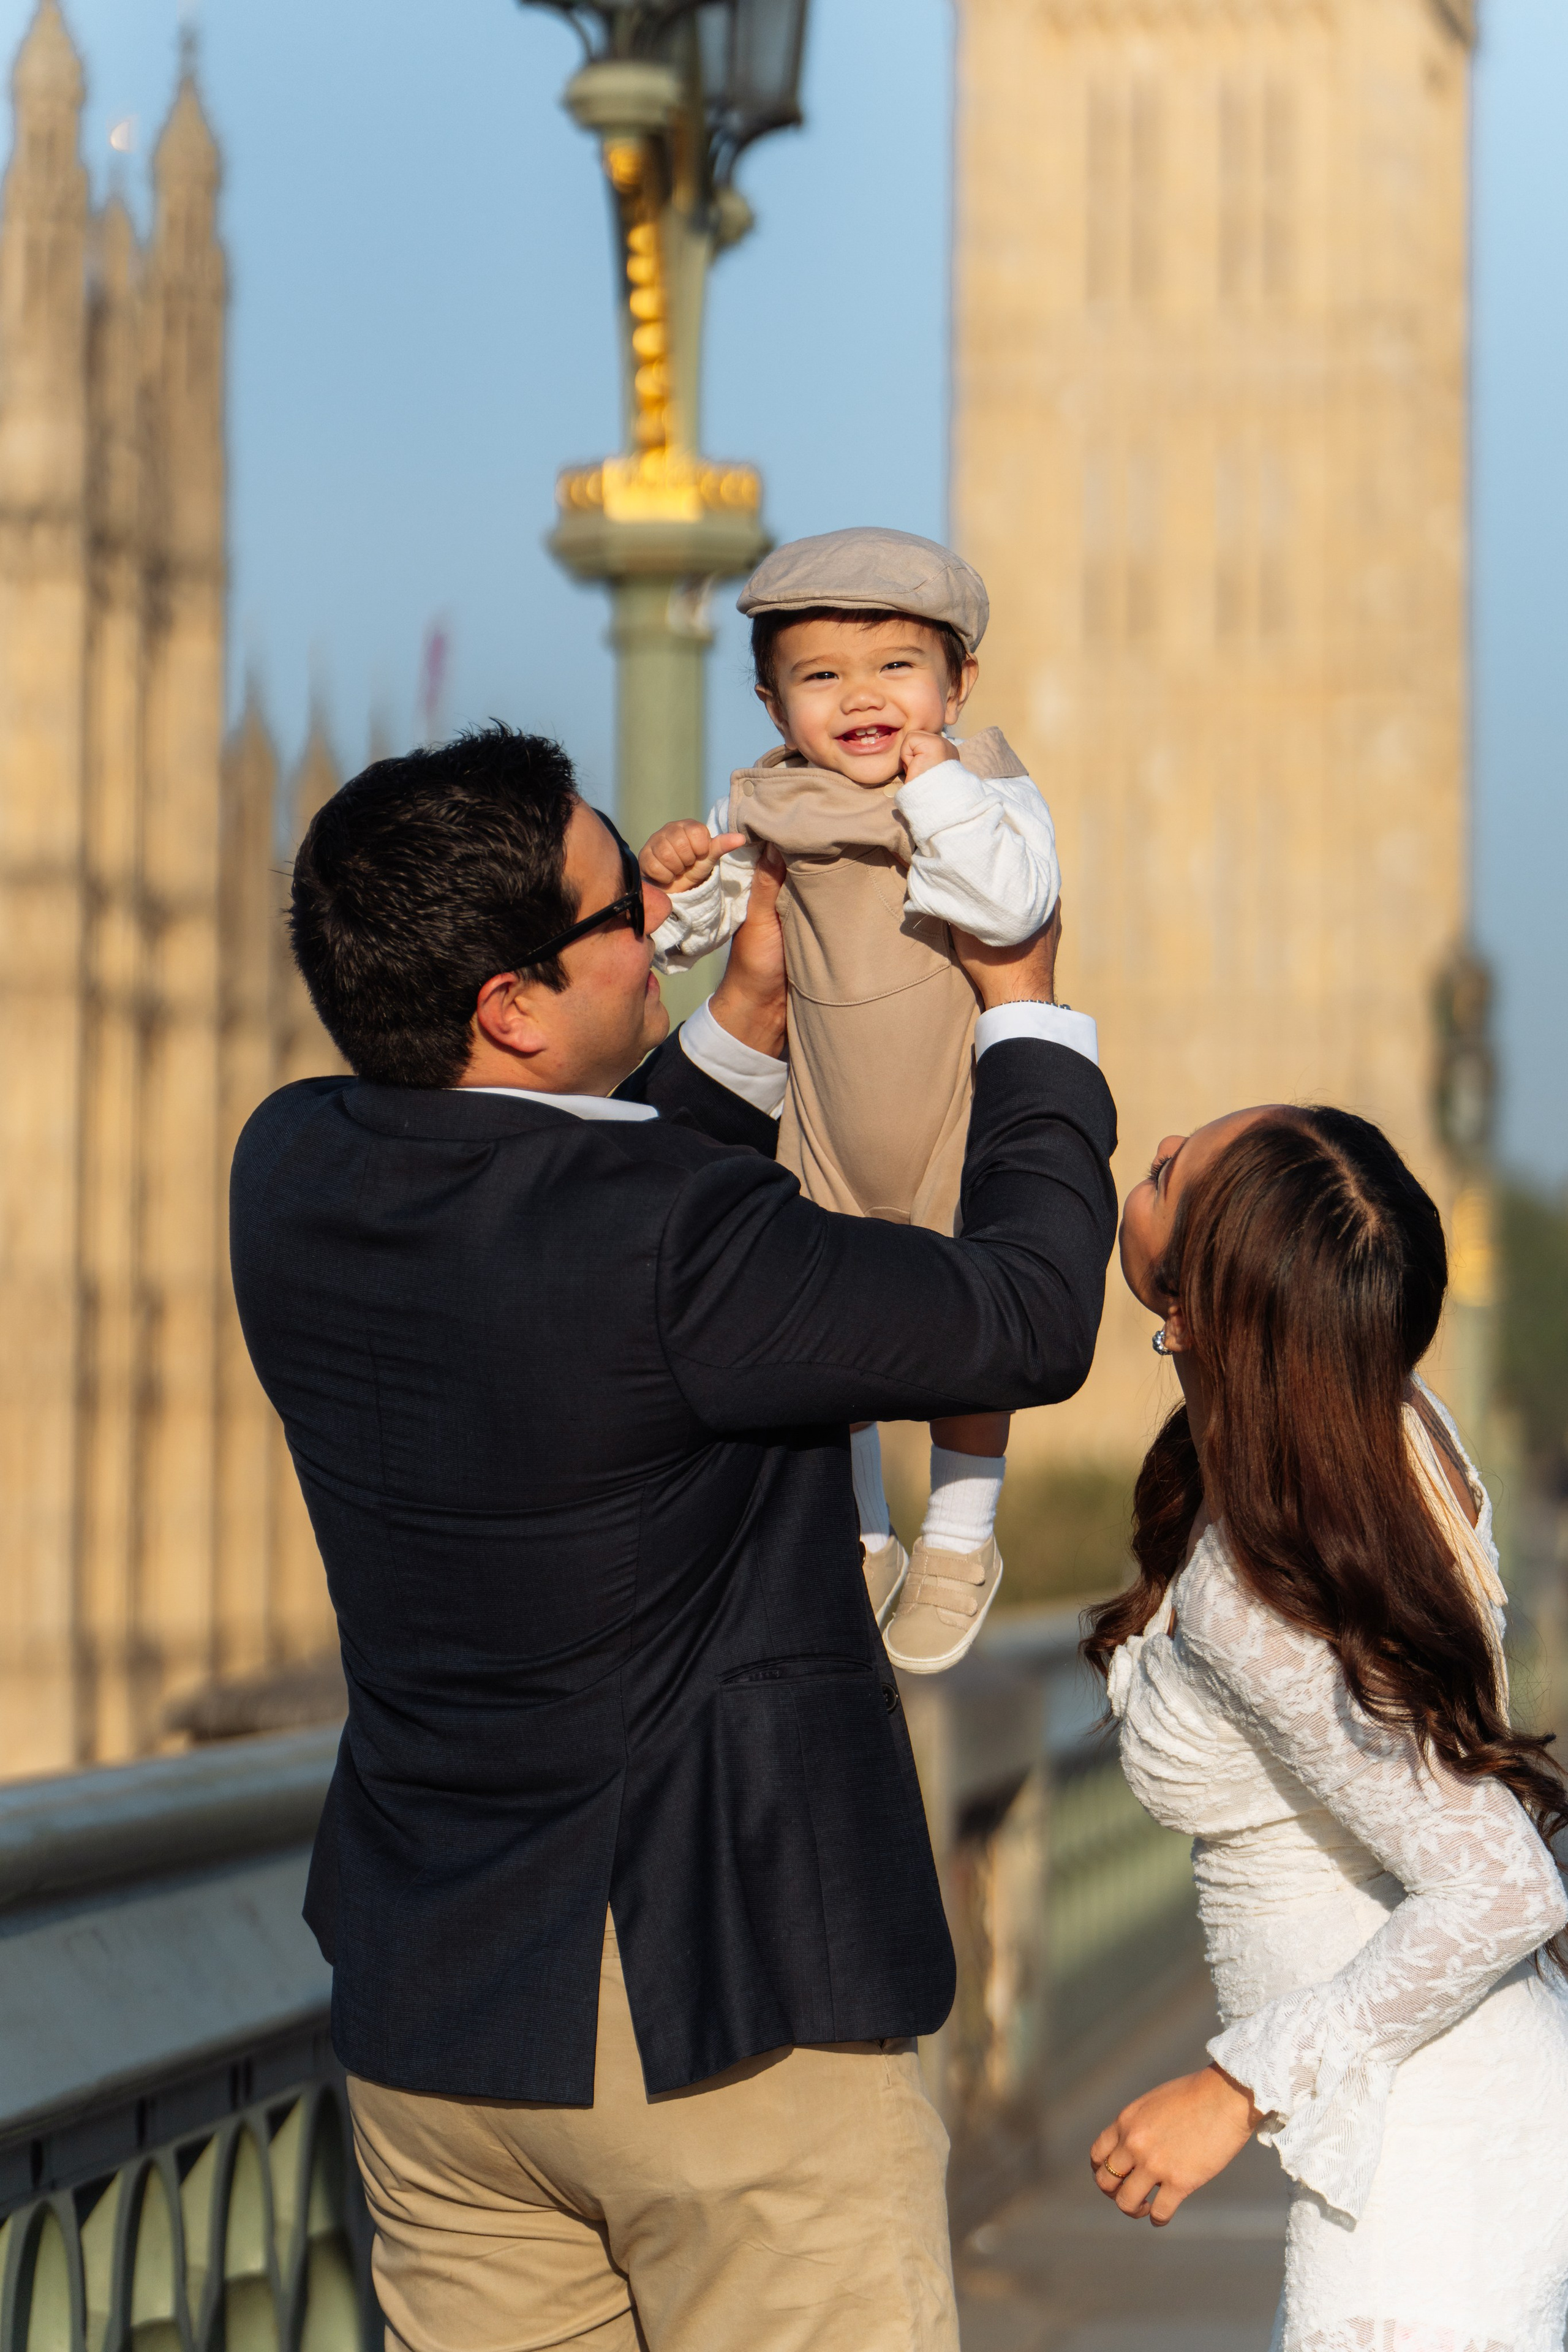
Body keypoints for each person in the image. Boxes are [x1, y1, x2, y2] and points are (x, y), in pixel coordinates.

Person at [229, 723, 1118, 2352]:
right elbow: (1026, 1317)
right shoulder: (675, 1250)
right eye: (612, 913)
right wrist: (1030, 1014)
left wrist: (746, 1022)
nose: (654, 909)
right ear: (509, 1005)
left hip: (440, 2019)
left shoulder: (290, 1173)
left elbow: (574, 1242)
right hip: (724, 2013)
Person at [1083, 1104, 1568, 2348]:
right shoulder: (1381, 1429)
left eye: (1163, 1173)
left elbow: (1504, 1885)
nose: (1168, 1133)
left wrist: (1232, 2085)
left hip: (1423, 2190)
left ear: (1191, 1315)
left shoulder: (1257, 1587)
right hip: (1465, 2127)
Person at [642, 525, 1074, 1676]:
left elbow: (1011, 901)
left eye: (895, 668)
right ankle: (863, 1531)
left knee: (968, 1326)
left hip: (950, 1101)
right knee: (825, 1326)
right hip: (826, 1107)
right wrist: (682, 880)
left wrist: (931, 788)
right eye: (820, 676)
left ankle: (962, 1534)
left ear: (957, 683)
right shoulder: (778, 805)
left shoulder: (984, 791)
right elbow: (695, 942)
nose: (862, 699)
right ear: (774, 705)